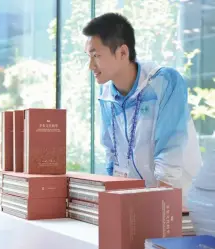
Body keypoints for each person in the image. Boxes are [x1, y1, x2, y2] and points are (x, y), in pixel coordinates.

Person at [82, 13, 202, 200]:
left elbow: (170, 153)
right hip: (135, 202)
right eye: (88, 56)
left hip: (178, 203)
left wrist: (159, 209)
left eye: (96, 56)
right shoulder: (105, 95)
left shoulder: (164, 81)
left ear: (123, 52)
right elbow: (111, 155)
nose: (91, 66)